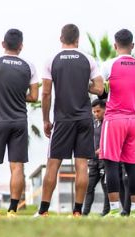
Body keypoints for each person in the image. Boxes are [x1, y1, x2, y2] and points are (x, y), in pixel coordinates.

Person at [37, 24, 104, 216]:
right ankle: (77, 211)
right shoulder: (87, 59)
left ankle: (43, 211)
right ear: (78, 40)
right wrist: (85, 85)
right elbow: (99, 89)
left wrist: (45, 120)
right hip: (84, 118)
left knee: (53, 164)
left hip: (62, 119)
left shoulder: (52, 60)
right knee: (81, 165)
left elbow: (47, 93)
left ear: (61, 39)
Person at [0, 28, 38, 218]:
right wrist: (19, 97)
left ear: (3, 44)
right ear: (21, 46)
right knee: (17, 166)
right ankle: (12, 210)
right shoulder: (29, 65)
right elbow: (34, 96)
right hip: (20, 121)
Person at [98, 29, 135, 217]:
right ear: (132, 46)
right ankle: (134, 211)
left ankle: (115, 209)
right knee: (132, 167)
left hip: (114, 119)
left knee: (111, 165)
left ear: (115, 46)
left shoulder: (109, 65)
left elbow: (101, 92)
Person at [82, 99, 109, 215]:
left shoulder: (109, 122)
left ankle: (106, 212)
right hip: (93, 161)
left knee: (106, 187)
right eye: (94, 112)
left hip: (105, 161)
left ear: (105, 109)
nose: (96, 114)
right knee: (89, 187)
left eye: (98, 111)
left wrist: (103, 149)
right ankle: (85, 213)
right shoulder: (93, 121)